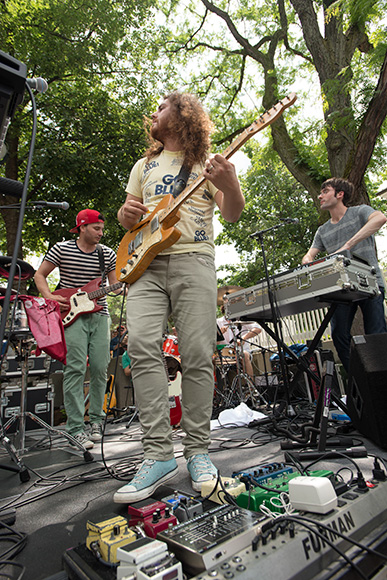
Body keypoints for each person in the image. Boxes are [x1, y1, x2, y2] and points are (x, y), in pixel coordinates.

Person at [114, 91, 245, 503]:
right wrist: (125, 216)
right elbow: (129, 214)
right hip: (144, 266)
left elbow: (233, 213)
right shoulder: (144, 165)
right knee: (141, 348)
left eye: (160, 107)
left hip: (194, 260)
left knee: (195, 354)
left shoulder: (208, 165)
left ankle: (198, 453)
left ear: (182, 115)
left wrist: (230, 182)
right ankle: (156, 454)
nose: (152, 113)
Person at [34, 209, 120, 449]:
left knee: (101, 367)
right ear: (81, 227)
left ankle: (96, 421)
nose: (101, 233)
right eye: (96, 228)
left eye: (102, 229)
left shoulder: (108, 254)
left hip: (99, 315)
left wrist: (123, 286)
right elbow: (40, 275)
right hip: (71, 316)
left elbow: (114, 285)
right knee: (75, 368)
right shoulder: (61, 249)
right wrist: (49, 296)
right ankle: (74, 428)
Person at [302, 177, 387, 372]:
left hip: (370, 283)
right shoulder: (322, 231)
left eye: (325, 191)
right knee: (340, 336)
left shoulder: (360, 212)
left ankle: (381, 386)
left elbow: (380, 218)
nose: (320, 195)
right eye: (320, 192)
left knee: (376, 335)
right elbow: (309, 254)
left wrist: (348, 245)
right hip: (340, 289)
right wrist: (307, 260)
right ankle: (359, 383)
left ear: (340, 194)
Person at [217, 305, 261, 379]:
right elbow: (213, 342)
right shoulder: (218, 322)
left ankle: (250, 386)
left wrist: (244, 338)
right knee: (211, 359)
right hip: (225, 353)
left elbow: (258, 329)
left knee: (245, 355)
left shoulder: (242, 319)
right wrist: (219, 335)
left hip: (241, 351)